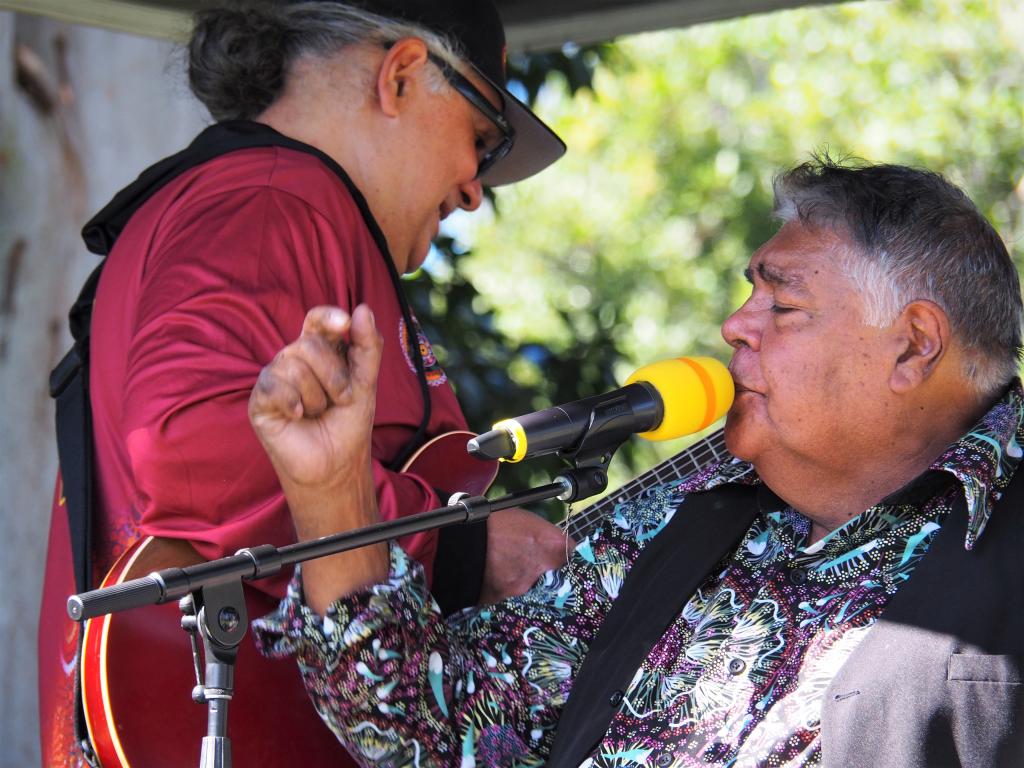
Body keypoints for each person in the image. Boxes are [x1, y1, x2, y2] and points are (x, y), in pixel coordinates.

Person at [248, 156, 1024, 767]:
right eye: (748, 293)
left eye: (781, 306)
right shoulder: (699, 498)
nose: (733, 325)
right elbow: (430, 726)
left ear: (915, 346)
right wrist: (332, 488)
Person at [38, 2, 571, 765]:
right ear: (403, 75)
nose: (473, 190)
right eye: (481, 139)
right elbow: (195, 452)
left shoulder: (269, 198)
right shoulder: (272, 198)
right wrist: (458, 550)